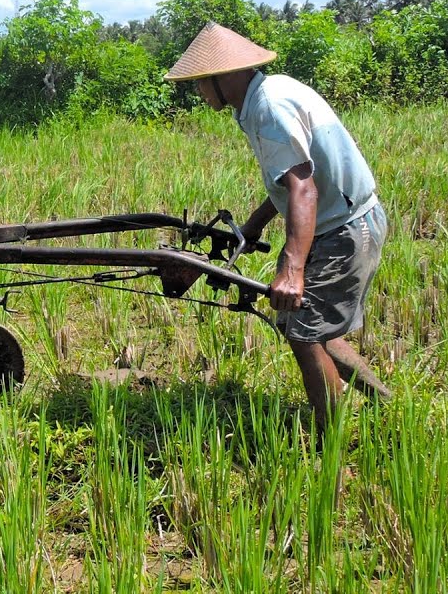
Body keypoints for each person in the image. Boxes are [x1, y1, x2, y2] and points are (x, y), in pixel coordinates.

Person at [164, 22, 391, 433]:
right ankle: (383, 400)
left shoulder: (269, 107)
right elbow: (290, 181)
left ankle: (332, 442)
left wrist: (292, 269)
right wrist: (252, 227)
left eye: (201, 83)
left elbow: (303, 189)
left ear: (224, 77)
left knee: (304, 334)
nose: (198, 93)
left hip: (345, 229)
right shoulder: (263, 98)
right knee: (304, 322)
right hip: (341, 222)